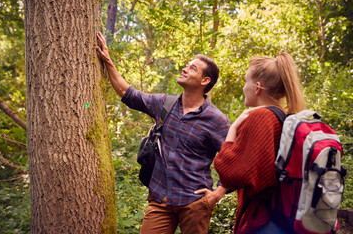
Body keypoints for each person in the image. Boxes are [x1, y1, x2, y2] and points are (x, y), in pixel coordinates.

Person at [95, 32, 231, 234]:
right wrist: (107, 61)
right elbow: (129, 94)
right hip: (160, 198)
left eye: (192, 68)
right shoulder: (165, 104)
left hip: (195, 203)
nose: (184, 69)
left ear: (205, 81)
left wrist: (218, 193)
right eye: (187, 65)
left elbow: (234, 158)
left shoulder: (216, 120)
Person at [214, 53, 306, 234]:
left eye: (245, 81)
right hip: (281, 217)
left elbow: (229, 173)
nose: (243, 87)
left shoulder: (260, 117)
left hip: (262, 221)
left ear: (257, 87)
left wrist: (233, 128)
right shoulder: (281, 115)